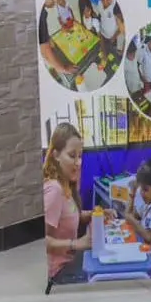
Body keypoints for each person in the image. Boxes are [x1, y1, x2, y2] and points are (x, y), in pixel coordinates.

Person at [44, 124, 91, 289]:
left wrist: (94, 215)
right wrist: (76, 244)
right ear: (56, 155)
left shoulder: (66, 185)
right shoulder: (54, 190)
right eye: (72, 156)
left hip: (69, 264)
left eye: (80, 156)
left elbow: (68, 216)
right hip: (58, 274)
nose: (78, 162)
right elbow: (42, 241)